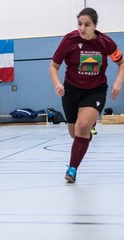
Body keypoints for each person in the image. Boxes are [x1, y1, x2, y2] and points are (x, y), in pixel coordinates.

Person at [49, 7, 124, 183]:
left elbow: (121, 62)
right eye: (80, 24)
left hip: (95, 91)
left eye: (87, 24)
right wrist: (57, 83)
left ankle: (72, 169)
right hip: (71, 91)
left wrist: (118, 81)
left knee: (82, 127)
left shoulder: (106, 43)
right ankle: (87, 131)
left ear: (95, 26)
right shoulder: (69, 40)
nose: (82, 28)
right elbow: (53, 66)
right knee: (74, 133)